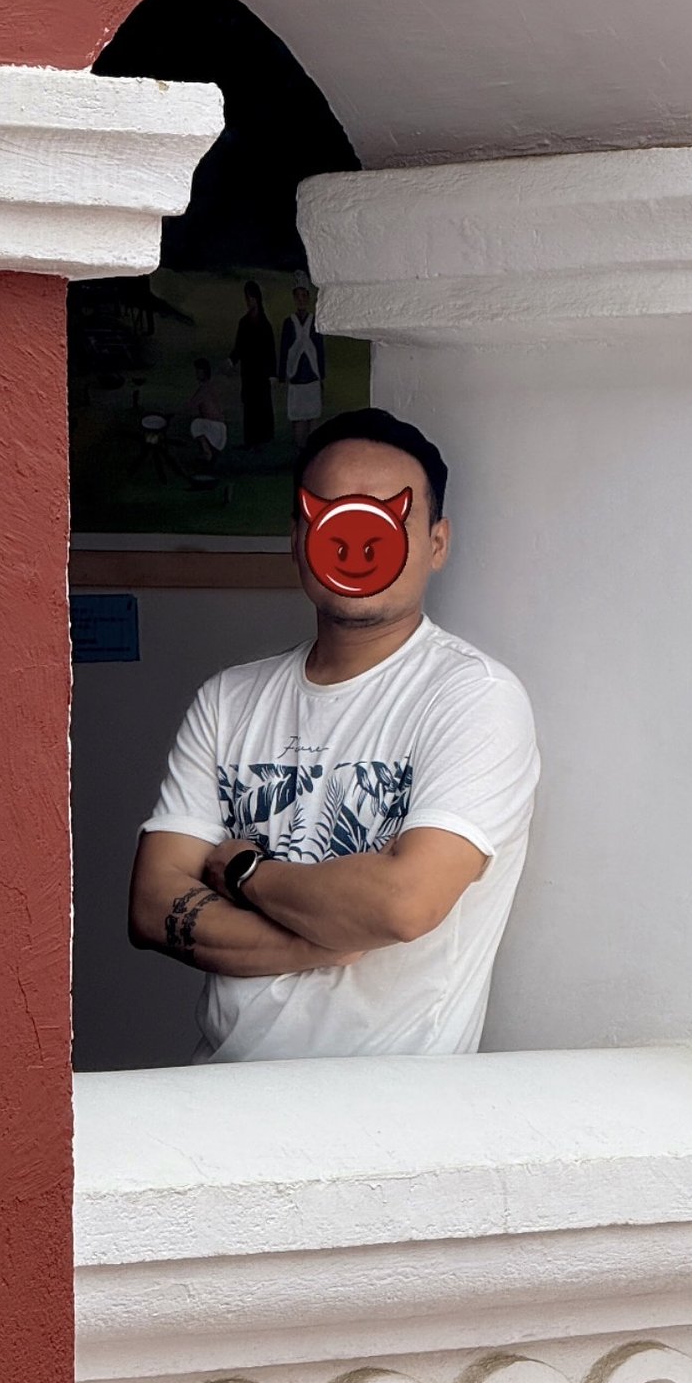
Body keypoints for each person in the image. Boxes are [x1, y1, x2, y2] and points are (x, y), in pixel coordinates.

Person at [128, 407, 540, 1063]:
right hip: (219, 1090)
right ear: (297, 538)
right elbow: (154, 906)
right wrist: (319, 940)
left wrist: (245, 872)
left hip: (386, 1107)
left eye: (385, 517)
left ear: (435, 543)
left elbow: (403, 904)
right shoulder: (228, 700)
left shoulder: (474, 698)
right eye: (331, 514)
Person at [278, 272, 326, 449]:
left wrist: (321, 375)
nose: (301, 300)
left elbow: (319, 350)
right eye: (298, 296)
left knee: (313, 420)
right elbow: (284, 350)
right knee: (298, 420)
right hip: (296, 378)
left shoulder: (314, 322)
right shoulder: (289, 323)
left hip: (312, 377)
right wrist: (282, 376)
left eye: (304, 296)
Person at [228, 279, 276, 448]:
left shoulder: (264, 324)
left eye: (251, 298)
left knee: (262, 403)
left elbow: (270, 350)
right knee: (250, 404)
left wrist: (272, 373)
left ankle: (264, 437)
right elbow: (239, 346)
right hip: (248, 371)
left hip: (261, 373)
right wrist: (231, 360)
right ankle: (251, 439)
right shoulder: (244, 323)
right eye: (247, 298)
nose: (249, 302)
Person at [186, 357, 226, 470]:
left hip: (216, 428)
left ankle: (207, 452)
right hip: (219, 427)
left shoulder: (205, 389)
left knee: (196, 424)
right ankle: (207, 454)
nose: (197, 373)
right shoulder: (210, 387)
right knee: (199, 423)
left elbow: (191, 405)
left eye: (199, 371)